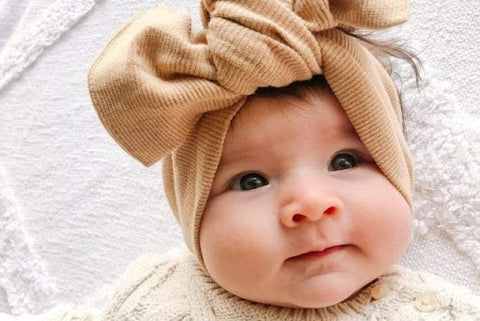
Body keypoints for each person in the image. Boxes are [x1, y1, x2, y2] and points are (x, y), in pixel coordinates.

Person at [2, 0, 480, 320]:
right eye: (250, 181)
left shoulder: (440, 310)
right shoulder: (148, 296)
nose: (310, 205)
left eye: (344, 161)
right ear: (193, 217)